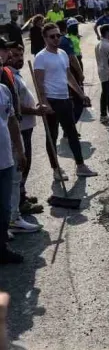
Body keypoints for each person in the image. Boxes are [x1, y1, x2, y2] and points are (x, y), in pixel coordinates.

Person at [32, 23, 96, 180]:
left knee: (72, 133)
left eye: (58, 36)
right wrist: (44, 102)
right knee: (52, 136)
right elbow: (39, 83)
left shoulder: (62, 54)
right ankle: (56, 169)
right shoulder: (41, 58)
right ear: (45, 38)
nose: (56, 39)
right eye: (52, 36)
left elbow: (69, 77)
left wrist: (81, 94)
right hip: (51, 101)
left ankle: (81, 166)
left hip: (65, 99)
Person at [6, 42, 46, 218]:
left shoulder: (16, 74)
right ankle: (20, 204)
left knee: (26, 164)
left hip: (27, 126)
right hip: (19, 128)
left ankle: (22, 195)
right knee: (22, 164)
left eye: (21, 55)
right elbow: (15, 107)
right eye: (14, 55)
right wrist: (35, 111)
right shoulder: (9, 77)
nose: (19, 59)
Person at [0, 66, 26, 264]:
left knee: (5, 208)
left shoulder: (3, 90)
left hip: (6, 159)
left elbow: (12, 121)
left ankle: (2, 248)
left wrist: (20, 150)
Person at [95, 25, 109, 125]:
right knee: (108, 94)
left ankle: (105, 114)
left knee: (105, 94)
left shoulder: (100, 44)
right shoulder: (107, 45)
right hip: (107, 73)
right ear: (107, 32)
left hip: (103, 72)